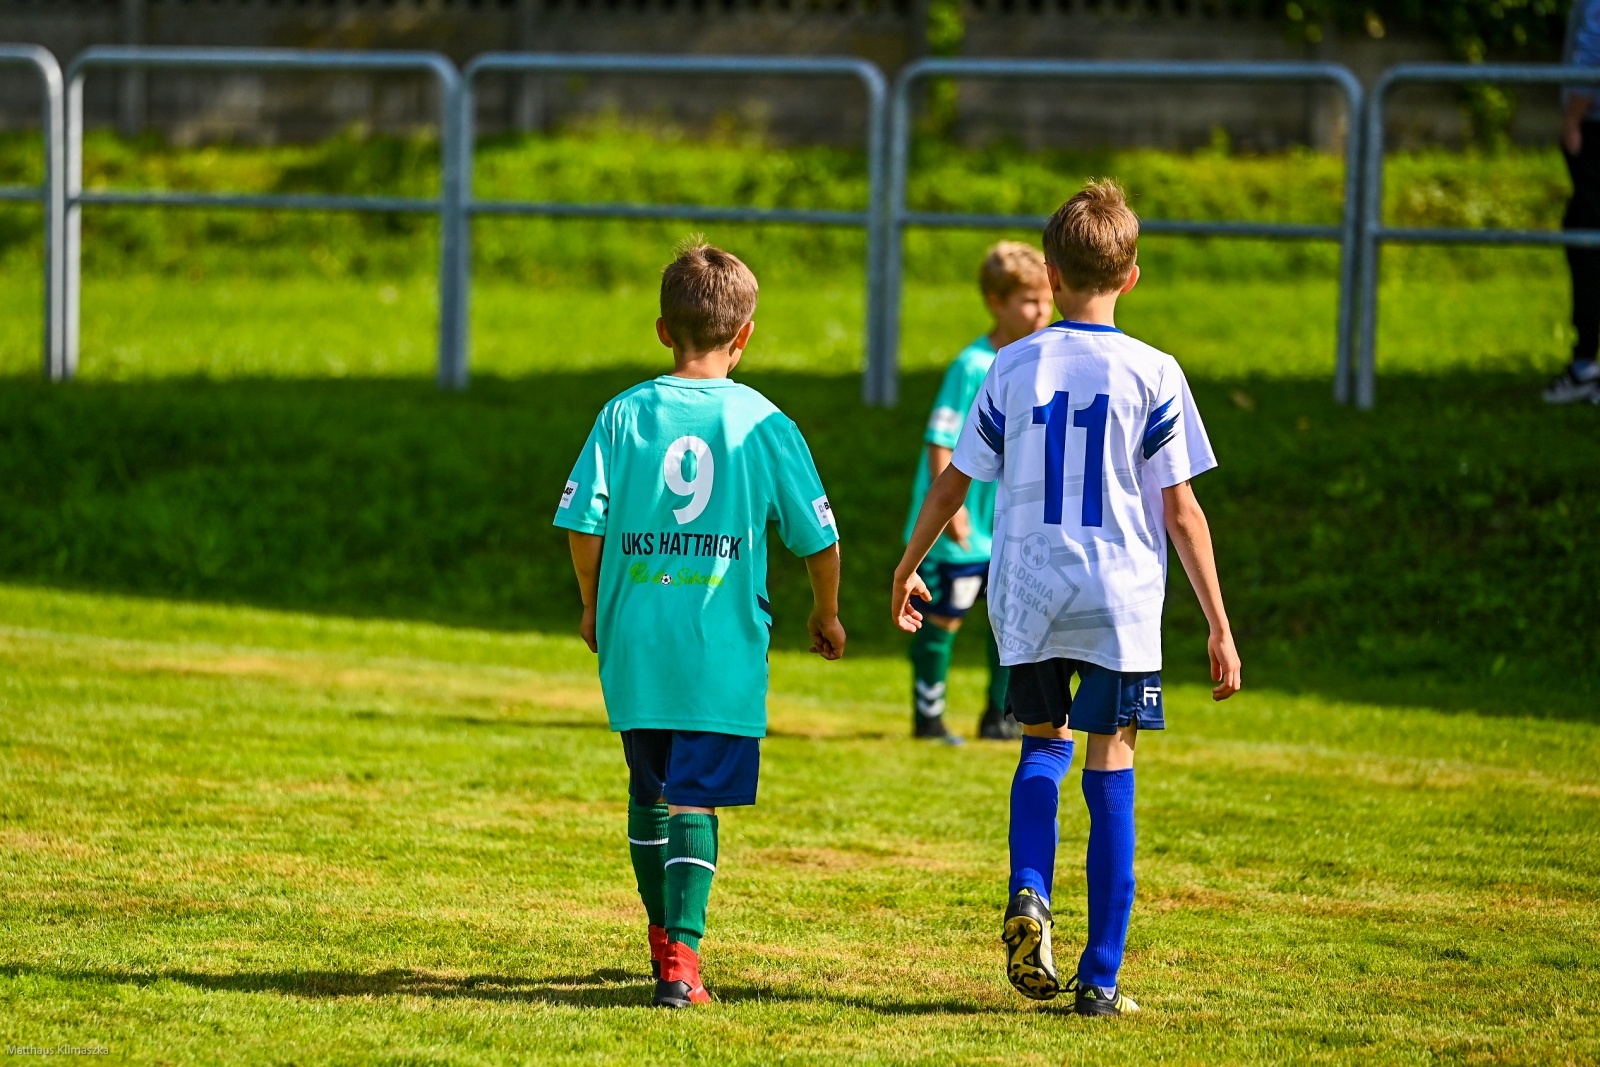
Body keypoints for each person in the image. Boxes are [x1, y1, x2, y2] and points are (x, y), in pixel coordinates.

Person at [892, 182, 1241, 1017]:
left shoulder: (1011, 364)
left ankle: (1028, 889)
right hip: (1118, 598)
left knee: (1040, 747)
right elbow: (1180, 509)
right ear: (1133, 276)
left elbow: (955, 480)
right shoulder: (1154, 371)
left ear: (1051, 271)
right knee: (1111, 765)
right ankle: (1102, 978)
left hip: (1029, 592)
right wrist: (1220, 626)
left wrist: (910, 560)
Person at [555, 238, 846, 1009]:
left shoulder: (622, 414)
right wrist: (827, 612)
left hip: (638, 632)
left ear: (662, 330)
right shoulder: (764, 422)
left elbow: (584, 525)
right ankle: (682, 958)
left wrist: (591, 599)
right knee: (695, 800)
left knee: (649, 788)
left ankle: (664, 945)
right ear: (744, 334)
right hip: (720, 643)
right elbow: (819, 536)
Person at [903, 242, 1055, 743]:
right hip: (963, 527)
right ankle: (928, 717)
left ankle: (1001, 715)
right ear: (996, 301)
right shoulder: (973, 365)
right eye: (1028, 300)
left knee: (1009, 621)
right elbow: (940, 440)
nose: (1041, 311)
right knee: (943, 618)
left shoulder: (1037, 362)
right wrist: (955, 514)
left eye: (1046, 298)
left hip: (1010, 524)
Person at [1548, 0, 1600, 403]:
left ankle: (1585, 365)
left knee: (1586, 239)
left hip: (1594, 125)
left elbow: (1595, 41)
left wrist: (1573, 116)